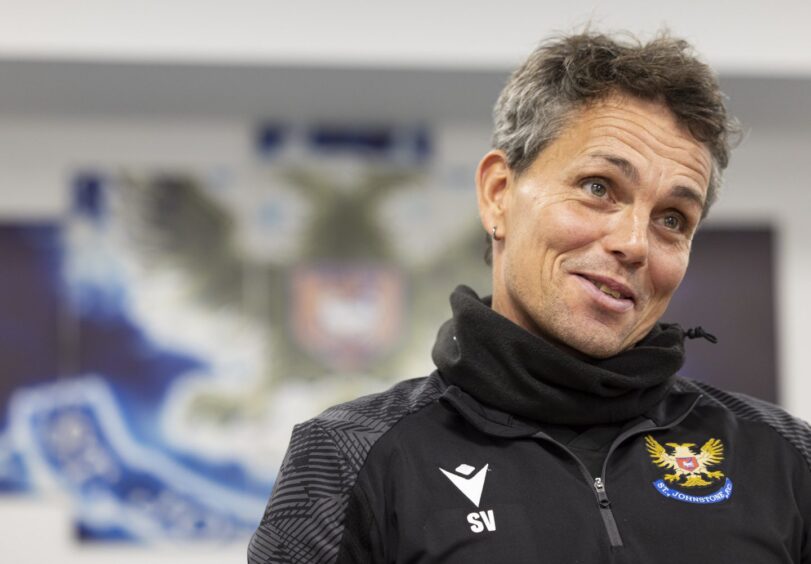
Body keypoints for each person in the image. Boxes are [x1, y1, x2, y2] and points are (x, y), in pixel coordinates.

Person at [248, 31, 811, 564]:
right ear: (498, 195)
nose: (634, 243)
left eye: (672, 219)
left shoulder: (786, 459)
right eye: (598, 188)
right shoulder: (348, 457)